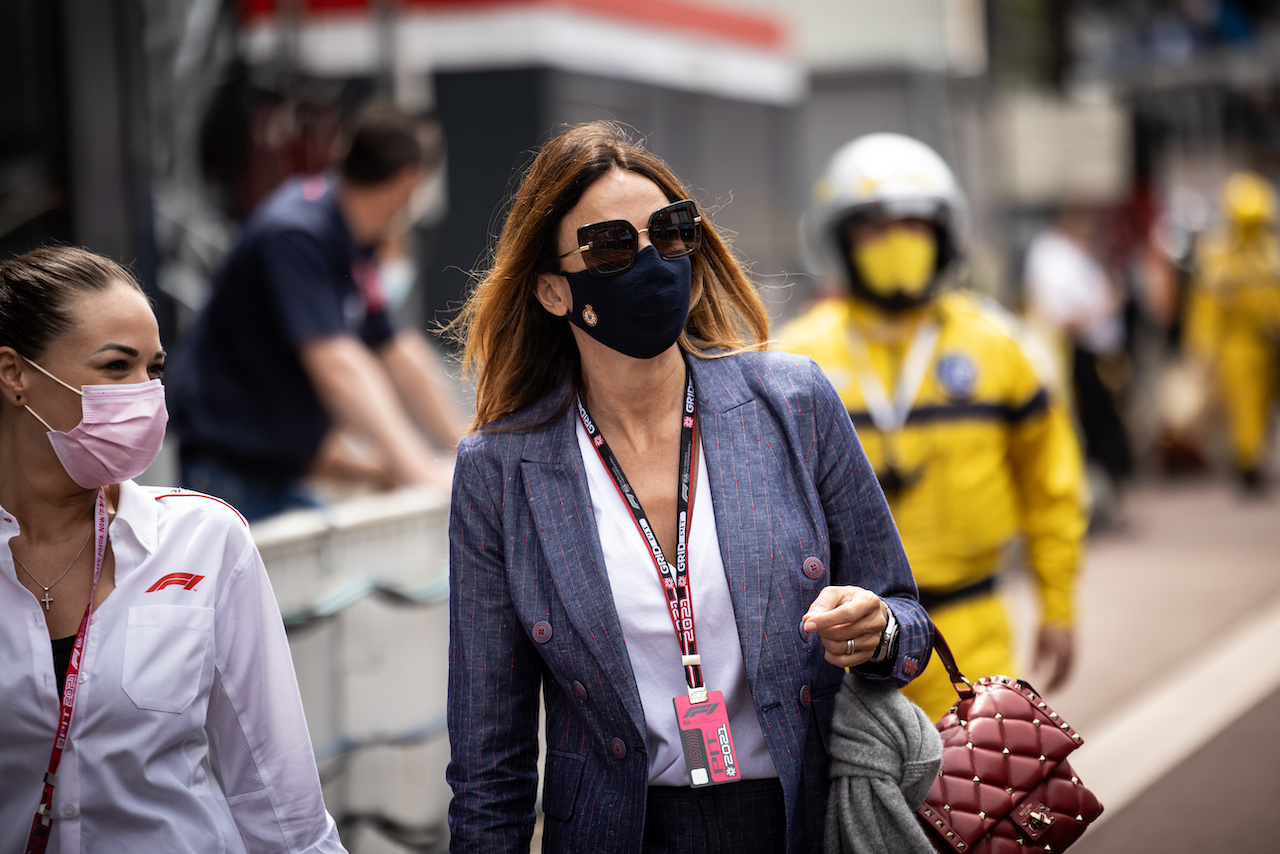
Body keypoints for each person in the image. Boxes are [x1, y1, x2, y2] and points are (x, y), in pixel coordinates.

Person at [444, 121, 931, 853]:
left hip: (800, 819)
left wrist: (879, 629)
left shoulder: (793, 402)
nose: (651, 258)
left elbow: (908, 622)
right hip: (622, 833)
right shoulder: (498, 471)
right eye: (611, 243)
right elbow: (490, 760)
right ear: (551, 290)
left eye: (670, 232)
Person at [0, 246, 345, 852]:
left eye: (154, 370)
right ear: (14, 374)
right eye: (116, 366)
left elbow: (274, 794)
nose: (145, 393)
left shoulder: (207, 541)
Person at [779, 133, 1087, 722]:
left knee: (984, 807)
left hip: (971, 634)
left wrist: (1058, 605)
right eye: (874, 226)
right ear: (838, 238)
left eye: (914, 225)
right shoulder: (796, 357)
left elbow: (1053, 490)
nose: (896, 241)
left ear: (945, 235)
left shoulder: (999, 347)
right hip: (841, 644)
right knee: (851, 813)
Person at [166, 103, 464, 521]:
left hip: (278, 476)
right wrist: (418, 470)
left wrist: (468, 454)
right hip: (228, 478)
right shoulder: (296, 233)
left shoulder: (352, 239)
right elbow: (339, 369)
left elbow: (400, 353)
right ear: (409, 181)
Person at [1023, 205, 1133, 526]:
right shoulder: (1054, 258)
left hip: (1094, 356)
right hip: (1076, 359)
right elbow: (1061, 316)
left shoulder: (1070, 257)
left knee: (1103, 432)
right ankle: (1091, 507)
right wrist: (1103, 308)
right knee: (1090, 434)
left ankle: (1103, 503)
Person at [1184, 171, 1280, 493]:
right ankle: (1248, 466)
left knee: (1262, 409)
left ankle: (1253, 460)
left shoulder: (1269, 252)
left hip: (1269, 345)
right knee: (1245, 408)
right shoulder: (1220, 256)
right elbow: (1207, 309)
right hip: (1238, 347)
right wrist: (1203, 348)